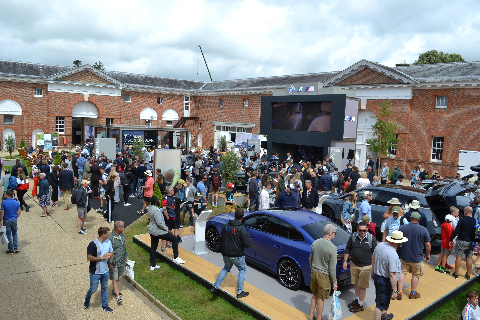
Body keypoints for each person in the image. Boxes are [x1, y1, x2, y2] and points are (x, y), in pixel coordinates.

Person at [211, 207, 251, 298]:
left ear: (234, 216)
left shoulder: (225, 226)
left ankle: (215, 287)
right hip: (237, 254)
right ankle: (239, 292)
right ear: (243, 217)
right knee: (242, 270)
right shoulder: (241, 228)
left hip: (226, 253)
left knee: (226, 268)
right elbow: (248, 244)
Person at [372, 230, 407, 320]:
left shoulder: (380, 245)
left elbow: (373, 258)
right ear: (399, 242)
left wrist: (373, 271)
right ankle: (379, 316)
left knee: (380, 298)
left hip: (377, 277)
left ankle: (383, 315)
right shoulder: (393, 254)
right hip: (385, 281)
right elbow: (392, 274)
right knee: (380, 305)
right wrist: (395, 291)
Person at [343, 221, 377, 313]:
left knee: (363, 286)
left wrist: (374, 268)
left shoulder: (371, 238)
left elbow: (375, 253)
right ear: (357, 229)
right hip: (354, 264)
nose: (362, 232)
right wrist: (345, 261)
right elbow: (348, 248)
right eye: (361, 230)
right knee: (356, 283)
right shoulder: (353, 237)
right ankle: (357, 300)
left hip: (365, 266)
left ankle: (360, 304)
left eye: (364, 231)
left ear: (367, 230)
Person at [397, 212, 431, 300]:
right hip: (417, 257)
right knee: (415, 275)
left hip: (404, 256)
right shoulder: (423, 229)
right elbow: (427, 244)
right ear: (419, 219)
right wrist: (428, 254)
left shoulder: (402, 228)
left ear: (410, 218)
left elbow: (398, 241)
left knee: (402, 273)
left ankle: (399, 292)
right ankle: (412, 293)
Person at [308, 223, 338, 320]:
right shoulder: (333, 248)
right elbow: (332, 268)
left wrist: (313, 269)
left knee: (314, 295)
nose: (335, 235)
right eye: (334, 233)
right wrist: (335, 282)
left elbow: (310, 259)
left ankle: (311, 316)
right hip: (324, 276)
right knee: (321, 298)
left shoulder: (315, 243)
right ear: (330, 233)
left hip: (314, 272)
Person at [148, 196, 185, 267]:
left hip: (152, 231)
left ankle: (153, 265)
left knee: (153, 247)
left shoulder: (150, 208)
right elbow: (159, 223)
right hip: (158, 231)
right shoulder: (156, 211)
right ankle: (176, 257)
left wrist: (166, 208)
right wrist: (167, 229)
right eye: (158, 200)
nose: (159, 201)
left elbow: (158, 210)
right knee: (175, 239)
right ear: (156, 201)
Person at [84, 227, 114, 313]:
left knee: (104, 289)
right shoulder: (92, 244)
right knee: (93, 289)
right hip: (95, 273)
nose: (109, 235)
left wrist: (109, 255)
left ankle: (104, 306)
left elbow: (111, 252)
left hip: (105, 272)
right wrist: (102, 258)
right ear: (103, 235)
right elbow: (89, 258)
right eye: (108, 234)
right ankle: (87, 299)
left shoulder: (108, 242)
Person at [450, 206, 476, 280]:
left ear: (466, 212)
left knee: (459, 257)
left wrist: (451, 239)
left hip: (461, 240)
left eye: (464, 210)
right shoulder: (475, 220)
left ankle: (456, 274)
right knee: (469, 258)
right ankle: (468, 275)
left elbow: (456, 231)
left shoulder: (462, 220)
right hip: (471, 242)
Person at [108, 221, 129, 305]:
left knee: (118, 276)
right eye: (123, 227)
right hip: (114, 262)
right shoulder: (110, 238)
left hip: (122, 260)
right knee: (115, 278)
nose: (124, 228)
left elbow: (124, 246)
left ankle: (114, 290)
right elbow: (108, 252)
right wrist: (109, 264)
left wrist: (126, 255)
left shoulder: (121, 234)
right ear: (118, 228)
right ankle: (117, 296)